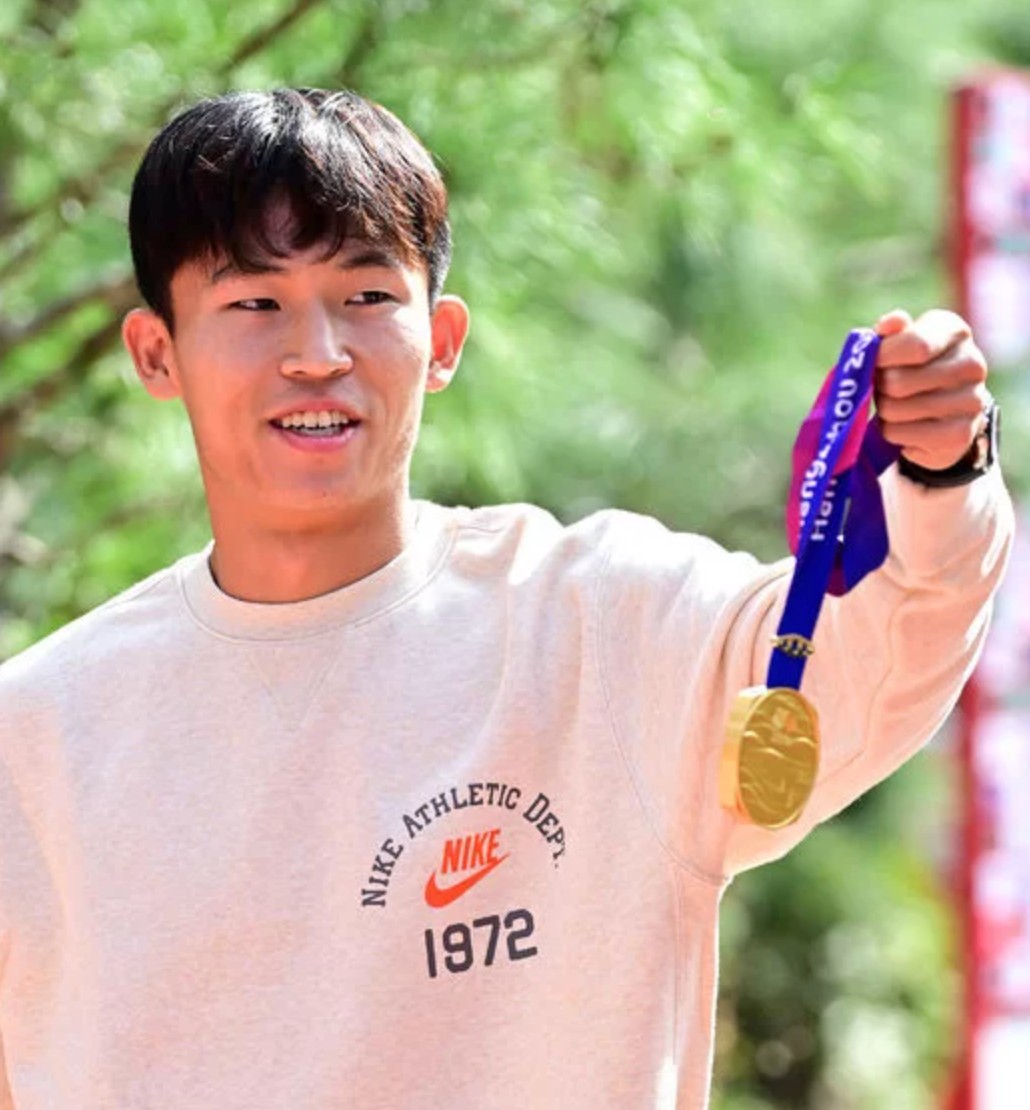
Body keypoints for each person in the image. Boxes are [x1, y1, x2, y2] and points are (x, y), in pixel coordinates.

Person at [0, 87, 1012, 1110]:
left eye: (366, 296)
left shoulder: (603, 623)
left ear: (442, 340)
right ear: (157, 352)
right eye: (254, 305)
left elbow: (876, 654)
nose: (317, 354)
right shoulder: (38, 735)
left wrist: (940, 470)